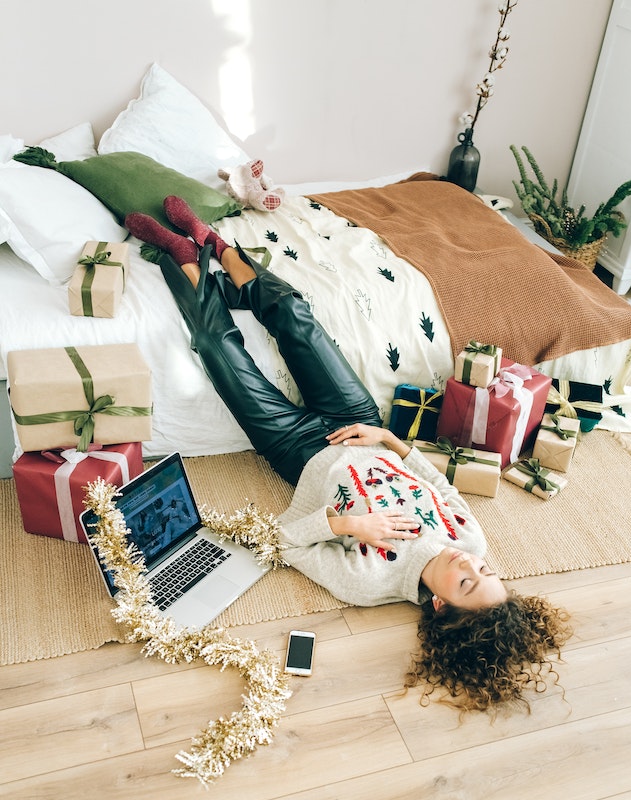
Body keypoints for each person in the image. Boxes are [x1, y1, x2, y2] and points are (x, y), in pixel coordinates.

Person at [125, 197, 572, 712]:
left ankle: (183, 257)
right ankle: (219, 248)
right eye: (488, 571)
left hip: (297, 449)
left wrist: (347, 527)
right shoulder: (470, 538)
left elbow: (283, 543)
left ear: (442, 604)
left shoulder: (370, 582)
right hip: (358, 423)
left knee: (216, 350)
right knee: (297, 317)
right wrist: (390, 441)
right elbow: (443, 488)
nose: (472, 562)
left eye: (469, 580)